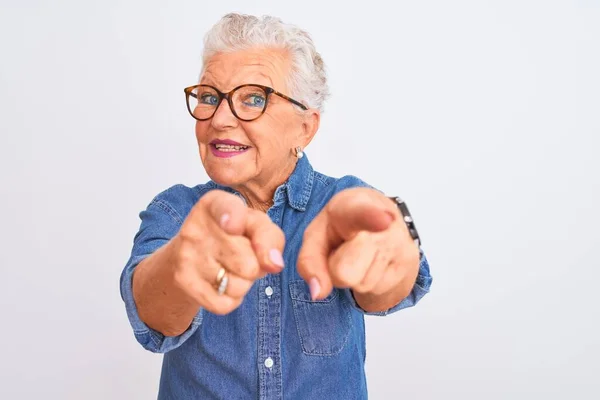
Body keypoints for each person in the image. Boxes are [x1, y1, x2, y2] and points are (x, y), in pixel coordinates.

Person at [119, 12, 432, 399]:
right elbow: (152, 316)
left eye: (253, 98)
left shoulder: (343, 204)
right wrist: (182, 260)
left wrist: (398, 241)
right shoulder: (174, 210)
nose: (219, 119)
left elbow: (389, 286)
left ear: (306, 126)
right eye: (209, 97)